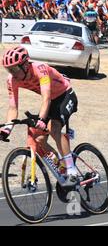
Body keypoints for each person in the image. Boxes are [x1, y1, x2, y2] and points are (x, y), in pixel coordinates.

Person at [0, 46, 79, 186]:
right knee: (40, 139)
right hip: (51, 101)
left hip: (65, 95)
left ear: (25, 65)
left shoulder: (40, 69)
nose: (12, 73)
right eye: (9, 70)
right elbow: (13, 107)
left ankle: (72, 170)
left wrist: (42, 120)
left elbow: (46, 98)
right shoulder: (12, 80)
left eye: (14, 69)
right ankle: (62, 167)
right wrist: (7, 129)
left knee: (54, 128)